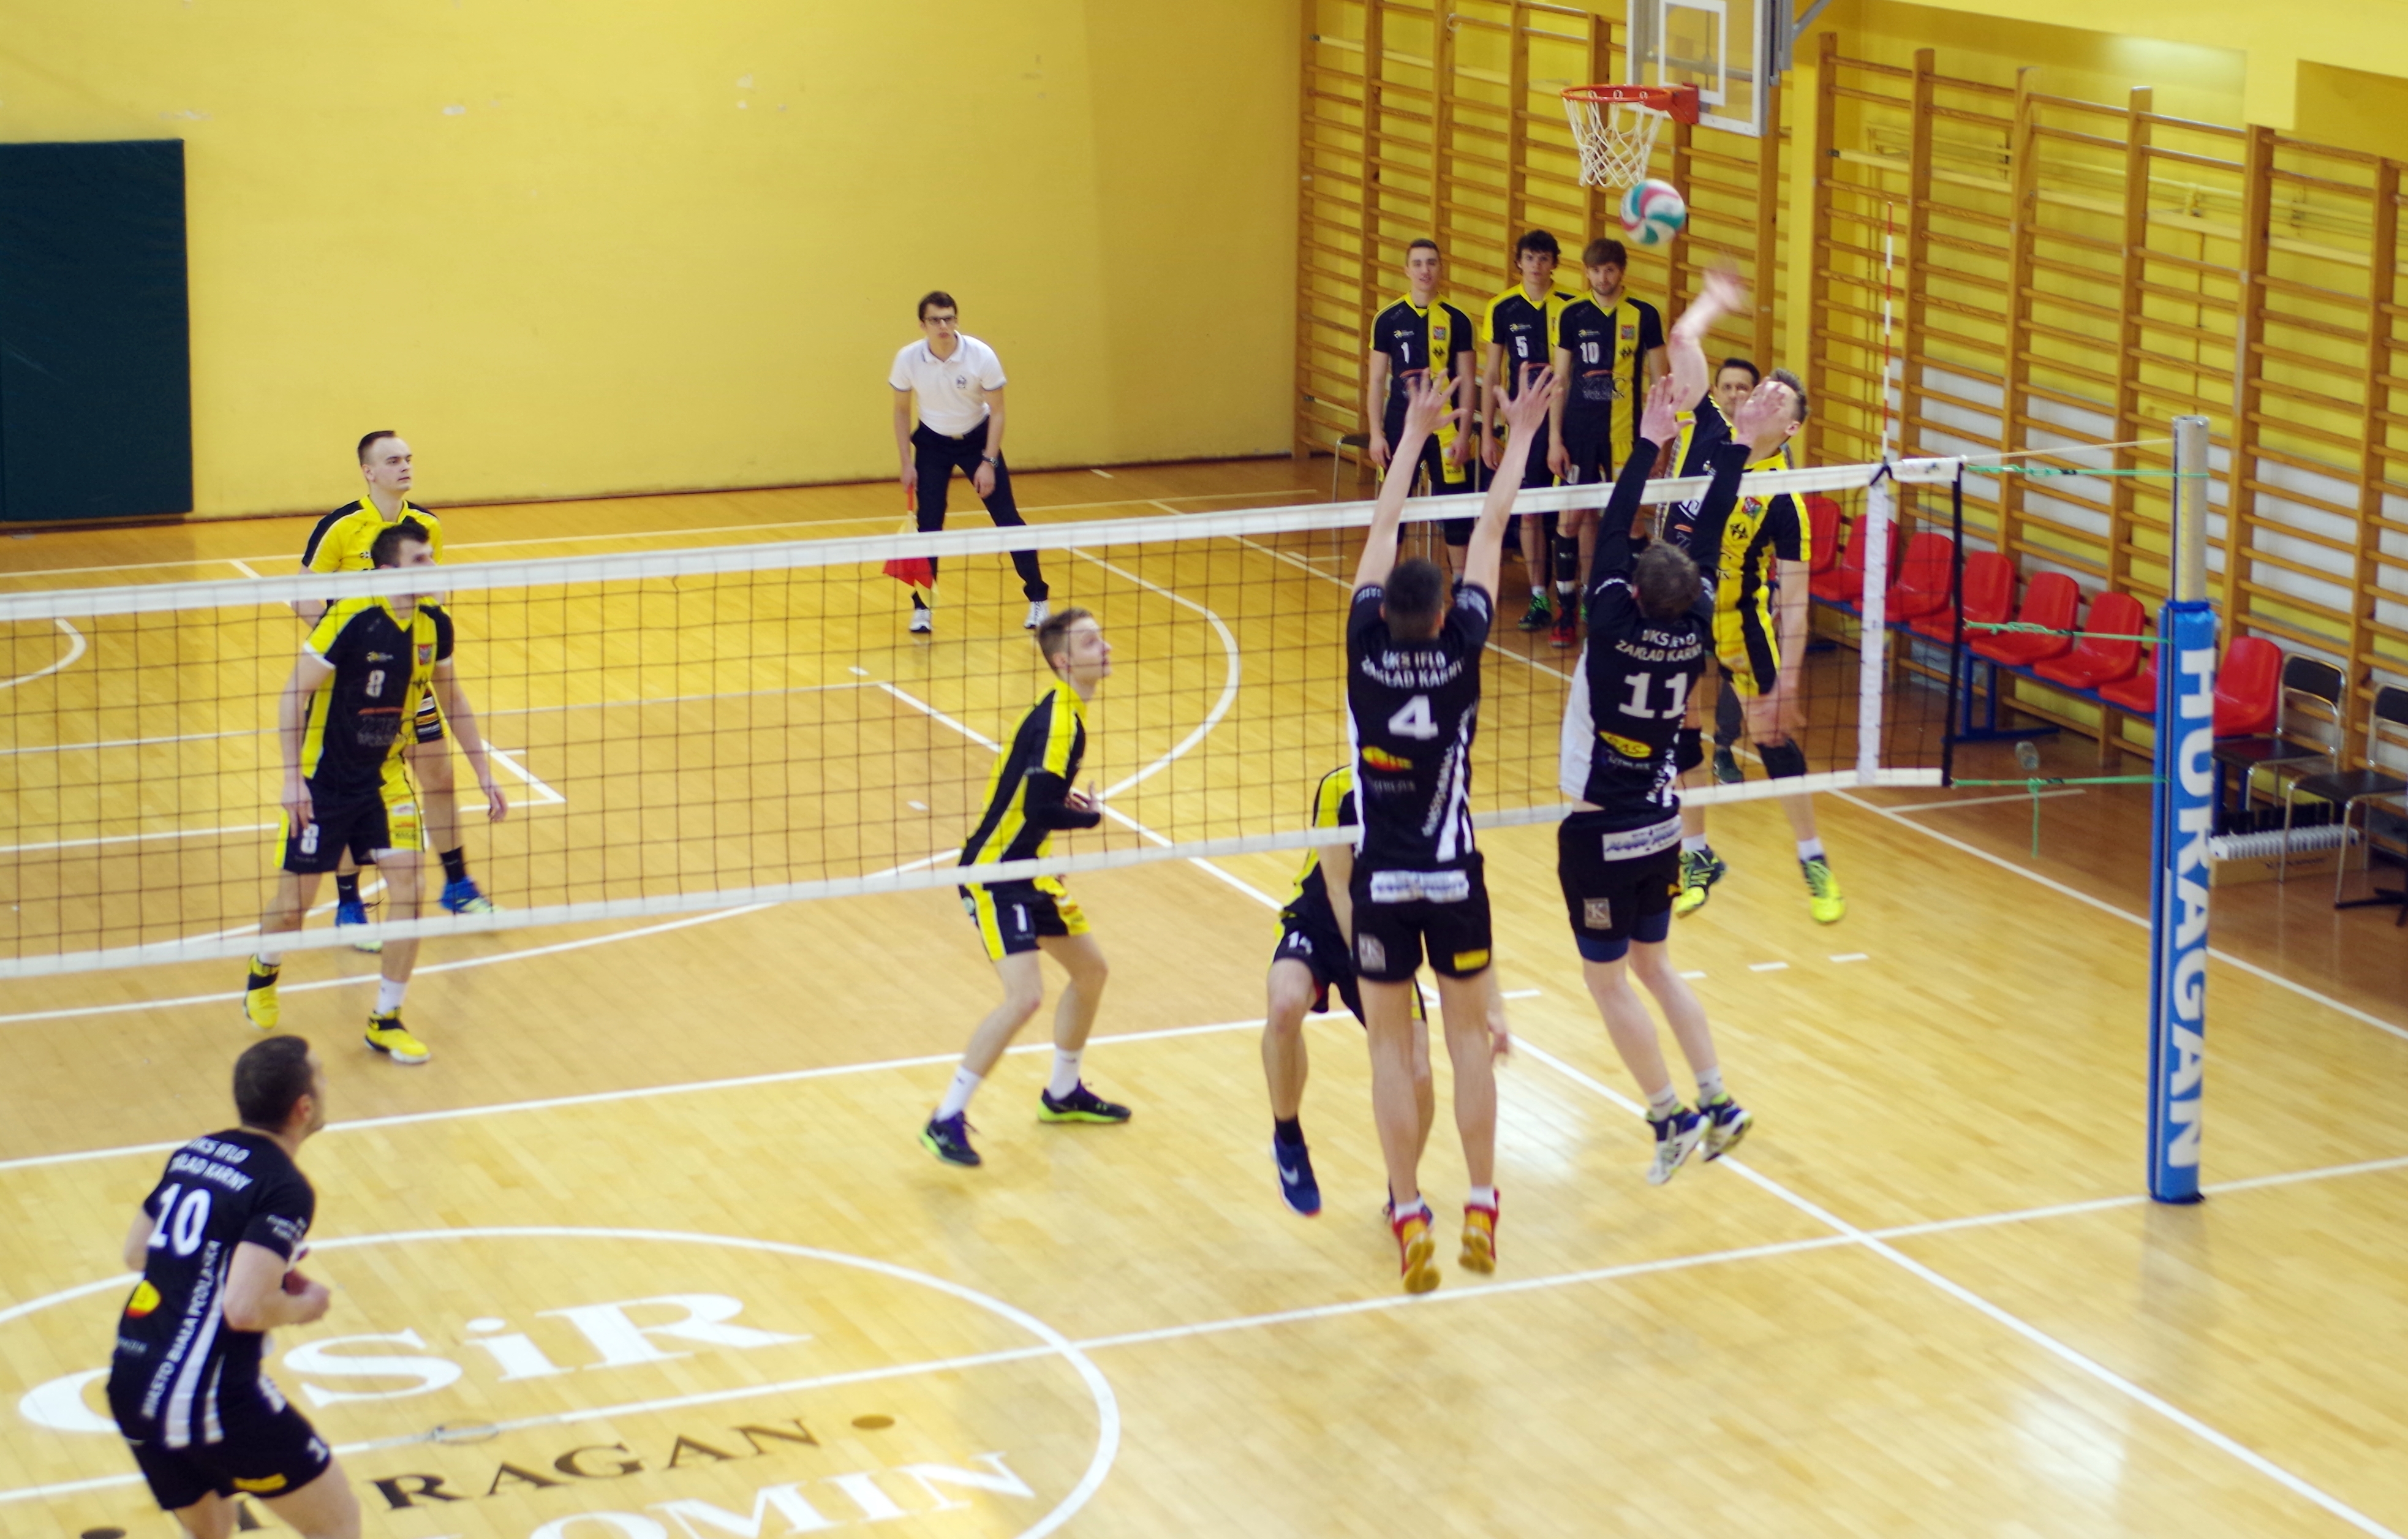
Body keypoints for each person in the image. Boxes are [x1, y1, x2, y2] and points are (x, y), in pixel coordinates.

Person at [1346, 370, 1546, 1293]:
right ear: (1440, 615)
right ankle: (1480, 1199)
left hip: (1381, 881)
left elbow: (1383, 528)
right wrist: (1520, 431)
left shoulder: (1362, 651)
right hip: (1454, 874)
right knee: (1470, 1042)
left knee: (1392, 1049)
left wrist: (1415, 434)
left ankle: (1405, 1208)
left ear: (1384, 612)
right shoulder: (1463, 650)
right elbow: (1492, 528)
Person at [1558, 382, 1764, 1184]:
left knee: (1606, 980)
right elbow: (1705, 534)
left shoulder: (1612, 622)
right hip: (1660, 821)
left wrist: (1649, 440)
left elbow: (1614, 524)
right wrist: (1737, 447)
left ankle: (1668, 1115)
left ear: (1635, 591)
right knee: (1656, 968)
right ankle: (1718, 1099)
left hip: (1600, 831)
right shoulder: (1695, 620)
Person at [242, 522, 508, 1065]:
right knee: (293, 909)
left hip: (386, 779)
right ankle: (264, 968)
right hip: (323, 782)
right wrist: (292, 779)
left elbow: (453, 699)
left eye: (432, 556)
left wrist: (483, 772)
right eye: (420, 560)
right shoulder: (350, 617)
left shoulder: (434, 625)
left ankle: (385, 1019)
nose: (433, 567)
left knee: (410, 887)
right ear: (389, 572)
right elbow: (293, 695)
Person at [107, 1035, 360, 1539]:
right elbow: (245, 1309)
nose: (327, 1083)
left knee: (212, 1533)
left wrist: (225, 1262)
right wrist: (306, 1305)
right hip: (208, 1396)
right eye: (321, 1075)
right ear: (303, 1107)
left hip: (133, 1378)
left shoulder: (195, 1152)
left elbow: (137, 1252)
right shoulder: (284, 1186)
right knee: (337, 1526)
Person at [1657, 282, 1844, 924]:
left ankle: (1812, 856)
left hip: (1737, 621)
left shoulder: (1786, 499)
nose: (1758, 395)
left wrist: (1788, 680)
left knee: (1771, 736)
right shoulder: (1706, 429)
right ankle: (1697, 855)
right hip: (1676, 611)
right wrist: (1712, 300)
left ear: (1789, 427)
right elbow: (1682, 339)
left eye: (1775, 398)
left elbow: (1795, 601)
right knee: (1680, 731)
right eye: (1759, 387)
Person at [921, 608, 1128, 1167]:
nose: (1105, 647)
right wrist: (1087, 818)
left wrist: (1051, 828)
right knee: (1025, 997)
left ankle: (1062, 1093)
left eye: (1101, 638)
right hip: (994, 874)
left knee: (1090, 972)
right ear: (1064, 661)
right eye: (1091, 642)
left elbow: (1032, 796)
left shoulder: (1066, 711)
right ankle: (945, 1117)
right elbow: (1038, 806)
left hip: (1027, 866)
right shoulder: (1060, 721)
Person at [297, 431, 496, 944]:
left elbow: (430, 595)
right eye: (392, 460)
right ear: (368, 472)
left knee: (439, 776)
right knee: (352, 790)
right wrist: (347, 649)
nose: (405, 466)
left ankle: (457, 883)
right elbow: (302, 594)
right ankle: (350, 906)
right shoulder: (340, 526)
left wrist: (421, 642)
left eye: (408, 458)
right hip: (352, 687)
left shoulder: (426, 525)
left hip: (409, 676)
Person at [1261, 765, 1435, 1217]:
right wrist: (1366, 962)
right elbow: (1338, 888)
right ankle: (1288, 1141)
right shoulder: (1340, 787)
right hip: (1319, 922)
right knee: (1284, 1006)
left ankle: (1403, 1190)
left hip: (1388, 935)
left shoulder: (1434, 788)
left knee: (1418, 1071)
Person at [890, 292, 1051, 636]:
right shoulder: (908, 359)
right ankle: (923, 608)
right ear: (922, 324)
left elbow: (999, 412)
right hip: (932, 444)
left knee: (1008, 519)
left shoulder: (981, 356)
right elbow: (902, 412)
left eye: (949, 318)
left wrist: (988, 461)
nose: (943, 325)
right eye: (935, 320)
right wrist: (906, 462)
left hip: (978, 440)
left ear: (956, 320)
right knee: (928, 527)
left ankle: (1038, 598)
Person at [1548, 238, 1667, 649]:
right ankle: (1566, 612)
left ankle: (1635, 609)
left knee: (1631, 522)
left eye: (1610, 269)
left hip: (1625, 437)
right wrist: (1554, 438)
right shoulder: (1571, 314)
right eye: (1596, 270)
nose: (1603, 277)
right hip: (1578, 437)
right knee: (1569, 521)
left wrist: (1660, 444)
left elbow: (1661, 383)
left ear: (1622, 271)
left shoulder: (1644, 314)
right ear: (1586, 272)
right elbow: (1559, 381)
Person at [1478, 230, 1575, 633]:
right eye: (1529, 258)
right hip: (1523, 429)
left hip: (1569, 425)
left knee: (1579, 513)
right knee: (1530, 513)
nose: (1536, 265)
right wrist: (1487, 433)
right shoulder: (1501, 307)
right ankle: (1539, 596)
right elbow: (1491, 373)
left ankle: (1578, 598)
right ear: (1518, 262)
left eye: (1544, 258)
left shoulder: (1572, 306)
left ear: (1554, 263)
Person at [1364, 240, 1480, 577]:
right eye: (1417, 263)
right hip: (1400, 428)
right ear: (1406, 270)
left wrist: (1464, 435)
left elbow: (1467, 381)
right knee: (1394, 510)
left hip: (1446, 429)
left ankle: (1461, 583)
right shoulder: (1387, 319)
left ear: (1441, 268)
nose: (1425, 270)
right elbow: (1376, 381)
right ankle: (1386, 583)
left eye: (1431, 263)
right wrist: (1375, 434)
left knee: (1455, 510)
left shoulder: (1458, 319)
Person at [1706, 358, 1762, 782]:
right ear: (1715, 392)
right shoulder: (1699, 435)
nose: (1734, 394)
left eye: (1743, 388)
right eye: (1727, 387)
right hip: (1693, 572)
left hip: (1740, 580)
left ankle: (1723, 748)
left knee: (1736, 668)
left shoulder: (1772, 446)